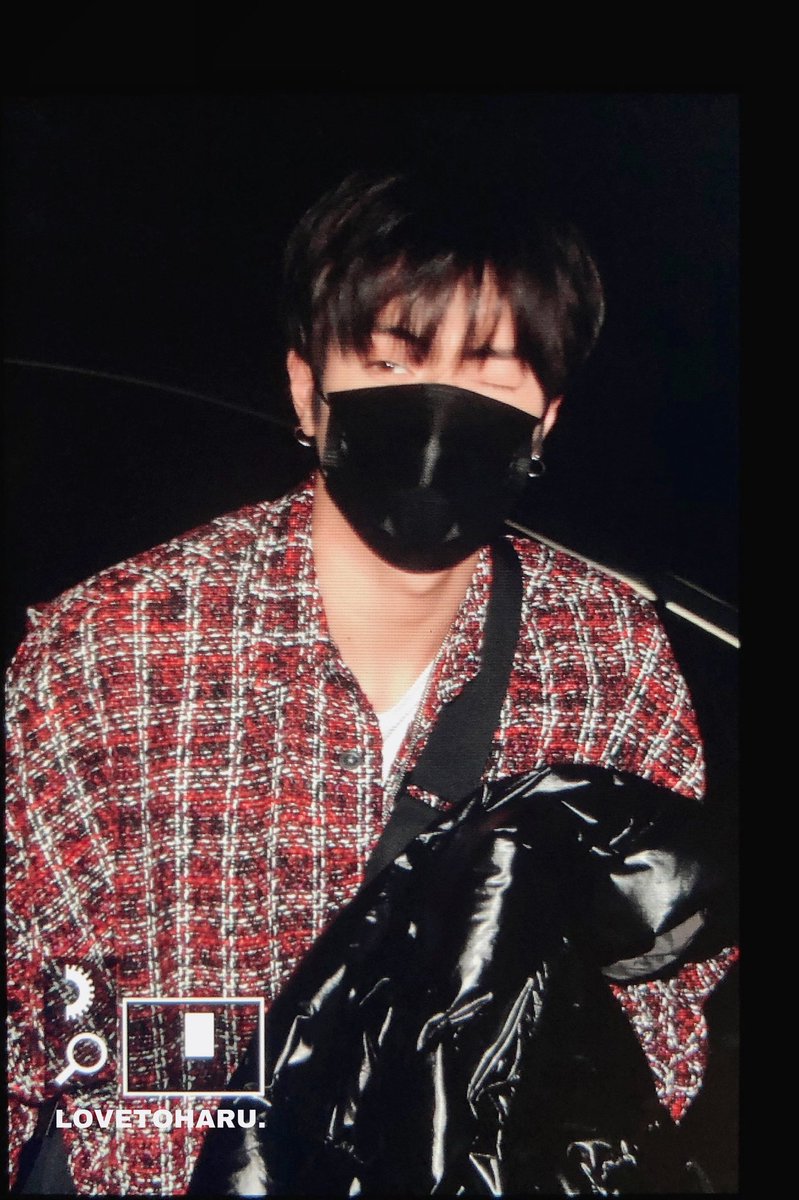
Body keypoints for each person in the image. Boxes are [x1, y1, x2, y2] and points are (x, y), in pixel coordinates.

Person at [6, 168, 735, 1195]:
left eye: (489, 373)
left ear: (543, 423)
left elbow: (664, 989)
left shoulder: (607, 655)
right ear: (307, 389)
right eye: (389, 360)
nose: (436, 413)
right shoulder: (114, 649)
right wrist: (225, 1099)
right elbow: (32, 1007)